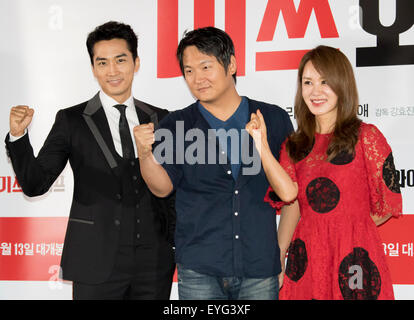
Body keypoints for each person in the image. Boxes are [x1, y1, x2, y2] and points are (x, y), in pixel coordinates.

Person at [5, 21, 175, 300]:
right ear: (93, 68)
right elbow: (36, 183)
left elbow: (173, 190)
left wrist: (173, 246)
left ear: (136, 62)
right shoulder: (71, 120)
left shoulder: (161, 118)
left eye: (120, 60)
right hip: (95, 259)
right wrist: (18, 135)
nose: (113, 71)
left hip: (153, 263)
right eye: (103, 62)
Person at [133, 26, 297, 300]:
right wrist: (145, 154)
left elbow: (293, 194)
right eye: (189, 71)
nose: (197, 78)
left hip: (259, 266)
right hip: (200, 269)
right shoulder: (176, 125)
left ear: (231, 64)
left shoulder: (273, 118)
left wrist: (279, 252)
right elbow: (162, 188)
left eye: (205, 66)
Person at [263, 45, 402, 300]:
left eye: (325, 81)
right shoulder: (294, 145)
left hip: (355, 257)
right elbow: (292, 206)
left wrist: (348, 232)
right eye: (308, 82)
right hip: (306, 255)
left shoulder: (366, 137)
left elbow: (385, 204)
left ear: (342, 84)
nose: (315, 91)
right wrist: (279, 257)